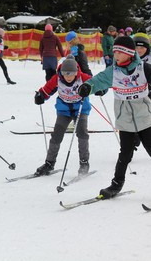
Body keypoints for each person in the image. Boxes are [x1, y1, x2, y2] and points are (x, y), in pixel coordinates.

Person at [78, 36, 151, 199]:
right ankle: (116, 185)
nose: (115, 55)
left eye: (119, 52)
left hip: (145, 117)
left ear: (129, 53)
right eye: (114, 52)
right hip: (124, 118)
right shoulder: (113, 71)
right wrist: (87, 87)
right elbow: (99, 80)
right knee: (124, 154)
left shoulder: (143, 68)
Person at [34, 55, 93, 176]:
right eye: (66, 74)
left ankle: (84, 163)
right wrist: (40, 96)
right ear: (61, 73)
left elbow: (96, 83)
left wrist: (99, 89)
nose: (69, 77)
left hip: (80, 109)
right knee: (57, 135)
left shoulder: (83, 78)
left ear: (76, 72)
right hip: (64, 110)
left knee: (82, 132)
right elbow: (46, 90)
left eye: (71, 74)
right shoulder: (57, 79)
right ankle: (49, 163)